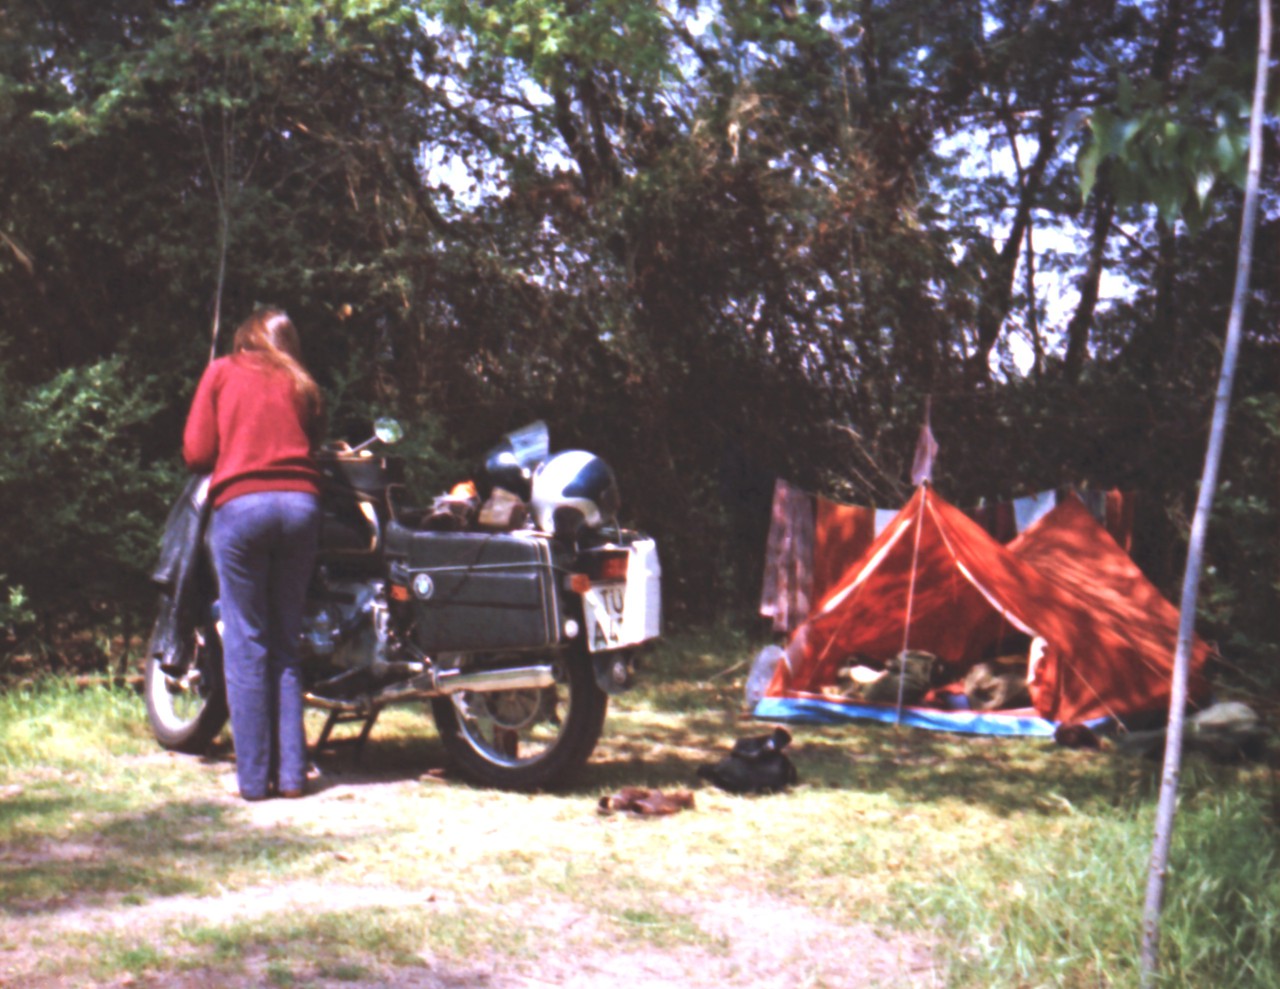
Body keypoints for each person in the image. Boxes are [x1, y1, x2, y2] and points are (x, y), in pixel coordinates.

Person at [183, 309, 324, 801]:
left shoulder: (221, 370)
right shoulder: (300, 379)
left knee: (247, 642)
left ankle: (253, 780)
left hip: (242, 509)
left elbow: (196, 452)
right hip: (302, 507)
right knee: (286, 642)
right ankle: (290, 777)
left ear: (244, 340)